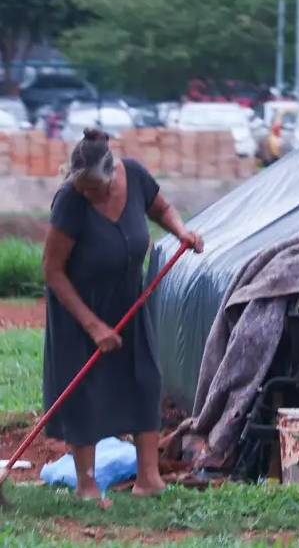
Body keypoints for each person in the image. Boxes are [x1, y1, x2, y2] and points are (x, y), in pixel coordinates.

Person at [42, 128, 203, 502]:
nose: (87, 194)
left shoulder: (135, 175)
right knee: (85, 391)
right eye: (81, 188)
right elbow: (52, 270)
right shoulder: (70, 201)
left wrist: (181, 232)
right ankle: (87, 485)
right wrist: (93, 325)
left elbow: (161, 208)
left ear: (113, 174)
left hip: (129, 299)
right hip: (80, 307)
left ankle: (149, 480)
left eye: (93, 189)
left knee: (145, 379)